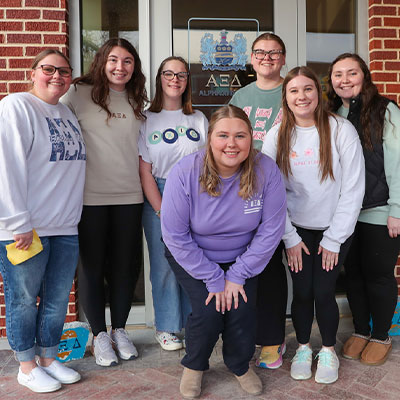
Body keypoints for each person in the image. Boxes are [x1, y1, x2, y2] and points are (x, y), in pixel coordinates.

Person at [161, 105, 286, 398]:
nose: (232, 144)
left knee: (242, 309)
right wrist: (214, 278)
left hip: (244, 255)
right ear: (210, 138)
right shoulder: (185, 171)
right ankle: (194, 366)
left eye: (240, 136)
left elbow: (271, 230)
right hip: (194, 254)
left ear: (250, 139)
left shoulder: (266, 169)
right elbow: (175, 235)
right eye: (223, 135)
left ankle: (239, 365)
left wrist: (239, 274)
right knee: (209, 310)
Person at [262, 66, 365, 384]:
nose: (301, 96)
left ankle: (329, 350)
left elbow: (353, 186)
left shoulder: (340, 129)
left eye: (307, 89)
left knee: (323, 290)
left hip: (335, 227)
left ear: (317, 94)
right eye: (293, 91)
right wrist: (289, 236)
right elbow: (269, 190)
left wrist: (334, 238)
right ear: (286, 97)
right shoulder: (277, 134)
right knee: (303, 291)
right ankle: (305, 347)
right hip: (296, 229)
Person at [0, 49, 86, 393]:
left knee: (56, 298)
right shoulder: (16, 106)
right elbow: (7, 166)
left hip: (64, 226)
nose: (57, 76)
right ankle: (26, 364)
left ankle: (49, 358)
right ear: (32, 72)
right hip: (26, 229)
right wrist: (16, 220)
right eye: (48, 69)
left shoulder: (65, 112)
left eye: (64, 71)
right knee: (23, 299)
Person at [61, 38, 148, 367]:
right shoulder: (78, 93)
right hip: (89, 198)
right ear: (101, 61)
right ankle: (99, 335)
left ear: (134, 67)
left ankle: (120, 330)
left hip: (130, 195)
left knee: (126, 267)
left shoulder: (138, 97)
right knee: (92, 268)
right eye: (114, 60)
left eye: (127, 61)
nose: (120, 67)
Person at [327, 53, 400, 366]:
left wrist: (397, 208)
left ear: (364, 76)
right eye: (338, 74)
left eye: (351, 73)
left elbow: (397, 162)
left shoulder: (386, 109)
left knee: (379, 275)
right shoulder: (328, 113)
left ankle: (381, 335)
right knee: (352, 274)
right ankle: (360, 330)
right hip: (343, 213)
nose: (344, 80)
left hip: (378, 209)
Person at [139, 56, 208, 351]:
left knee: (192, 261)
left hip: (196, 194)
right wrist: (161, 208)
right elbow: (144, 169)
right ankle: (167, 327)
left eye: (181, 74)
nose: (175, 79)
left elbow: (209, 164)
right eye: (169, 73)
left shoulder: (199, 119)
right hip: (159, 192)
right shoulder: (146, 119)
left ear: (187, 81)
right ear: (160, 79)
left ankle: (194, 322)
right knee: (164, 265)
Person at [230, 32, 288, 370]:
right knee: (248, 265)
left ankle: (272, 340)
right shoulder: (241, 94)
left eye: (274, 52)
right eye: (260, 53)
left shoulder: (292, 88)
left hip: (285, 188)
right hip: (248, 188)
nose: (267, 58)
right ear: (251, 59)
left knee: (270, 269)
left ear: (283, 59)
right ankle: (249, 335)